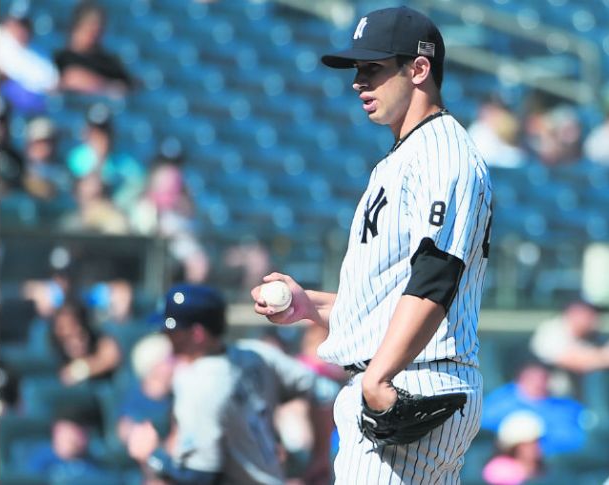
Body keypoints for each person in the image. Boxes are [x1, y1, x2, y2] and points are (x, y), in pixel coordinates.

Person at [252, 6, 493, 483]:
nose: (359, 82)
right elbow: (395, 299)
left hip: (414, 378)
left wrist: (378, 378)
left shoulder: (443, 155)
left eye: (373, 69)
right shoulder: (405, 155)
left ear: (419, 69)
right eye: (358, 70)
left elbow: (436, 277)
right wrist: (311, 306)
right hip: (407, 372)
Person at [126, 283, 338, 485]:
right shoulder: (255, 353)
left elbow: (201, 478)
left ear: (197, 334)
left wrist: (152, 456)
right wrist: (320, 455)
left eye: (173, 330)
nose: (166, 335)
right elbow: (324, 391)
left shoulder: (197, 382)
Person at [480, 358, 587, 456]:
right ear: (520, 379)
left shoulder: (566, 407)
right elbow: (482, 431)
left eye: (543, 378)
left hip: (560, 463)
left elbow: (577, 439)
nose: (538, 383)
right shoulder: (499, 403)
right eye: (532, 378)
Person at [482, 410, 546, 485]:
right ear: (514, 446)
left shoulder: (541, 468)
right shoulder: (499, 468)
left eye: (536, 441)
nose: (534, 447)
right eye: (527, 444)